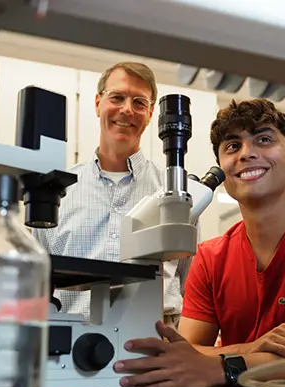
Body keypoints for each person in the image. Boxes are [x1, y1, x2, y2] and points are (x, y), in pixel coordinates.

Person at [114, 99, 285, 387]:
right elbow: (188, 350)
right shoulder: (209, 257)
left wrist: (222, 366)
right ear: (222, 168)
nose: (247, 153)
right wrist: (252, 348)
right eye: (233, 146)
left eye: (263, 139)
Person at [34, 62, 189, 326]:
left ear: (151, 113)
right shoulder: (57, 191)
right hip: (66, 352)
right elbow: (35, 281)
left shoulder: (175, 194)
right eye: (117, 97)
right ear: (97, 103)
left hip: (151, 355)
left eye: (139, 103)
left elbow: (188, 286)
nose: (127, 109)